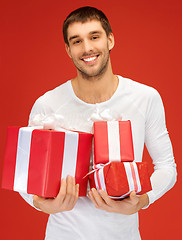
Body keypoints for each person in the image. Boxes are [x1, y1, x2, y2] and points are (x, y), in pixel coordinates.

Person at [20, 6, 177, 240]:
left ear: (110, 40)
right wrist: (41, 204)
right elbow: (23, 177)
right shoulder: (48, 104)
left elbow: (167, 166)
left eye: (94, 37)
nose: (87, 48)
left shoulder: (145, 98)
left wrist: (141, 201)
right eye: (76, 41)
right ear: (68, 49)